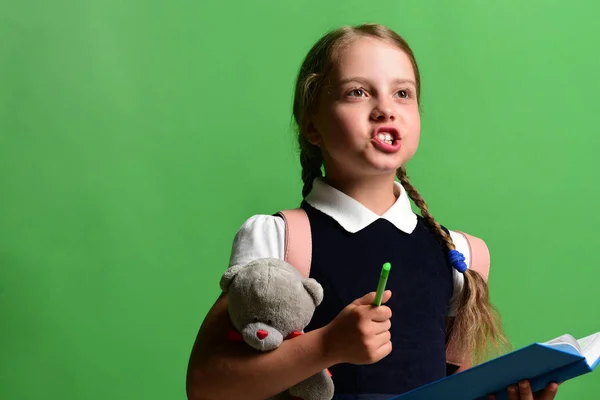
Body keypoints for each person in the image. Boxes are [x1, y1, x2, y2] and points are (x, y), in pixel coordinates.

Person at [186, 23, 560, 400]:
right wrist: (325, 346)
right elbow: (206, 385)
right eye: (358, 92)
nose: (385, 109)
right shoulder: (279, 239)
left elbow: (452, 389)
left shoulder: (460, 255)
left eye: (402, 93)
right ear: (312, 124)